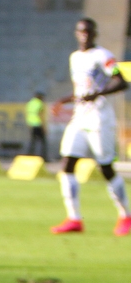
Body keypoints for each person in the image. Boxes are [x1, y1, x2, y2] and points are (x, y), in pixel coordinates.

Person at [50, 18, 130, 236]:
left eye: (89, 31)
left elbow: (121, 81)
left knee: (105, 167)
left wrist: (99, 93)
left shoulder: (102, 56)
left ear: (95, 34)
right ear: (76, 33)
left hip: (99, 119)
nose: (85, 35)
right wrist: (63, 100)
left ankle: (126, 215)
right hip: (80, 117)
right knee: (67, 163)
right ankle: (74, 218)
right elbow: (82, 91)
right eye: (81, 31)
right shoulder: (75, 57)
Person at [25, 91, 46, 159]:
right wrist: (43, 127)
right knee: (43, 141)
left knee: (33, 141)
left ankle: (30, 155)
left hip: (31, 124)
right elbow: (40, 115)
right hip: (38, 124)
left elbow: (28, 113)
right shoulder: (39, 103)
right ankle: (43, 157)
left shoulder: (30, 103)